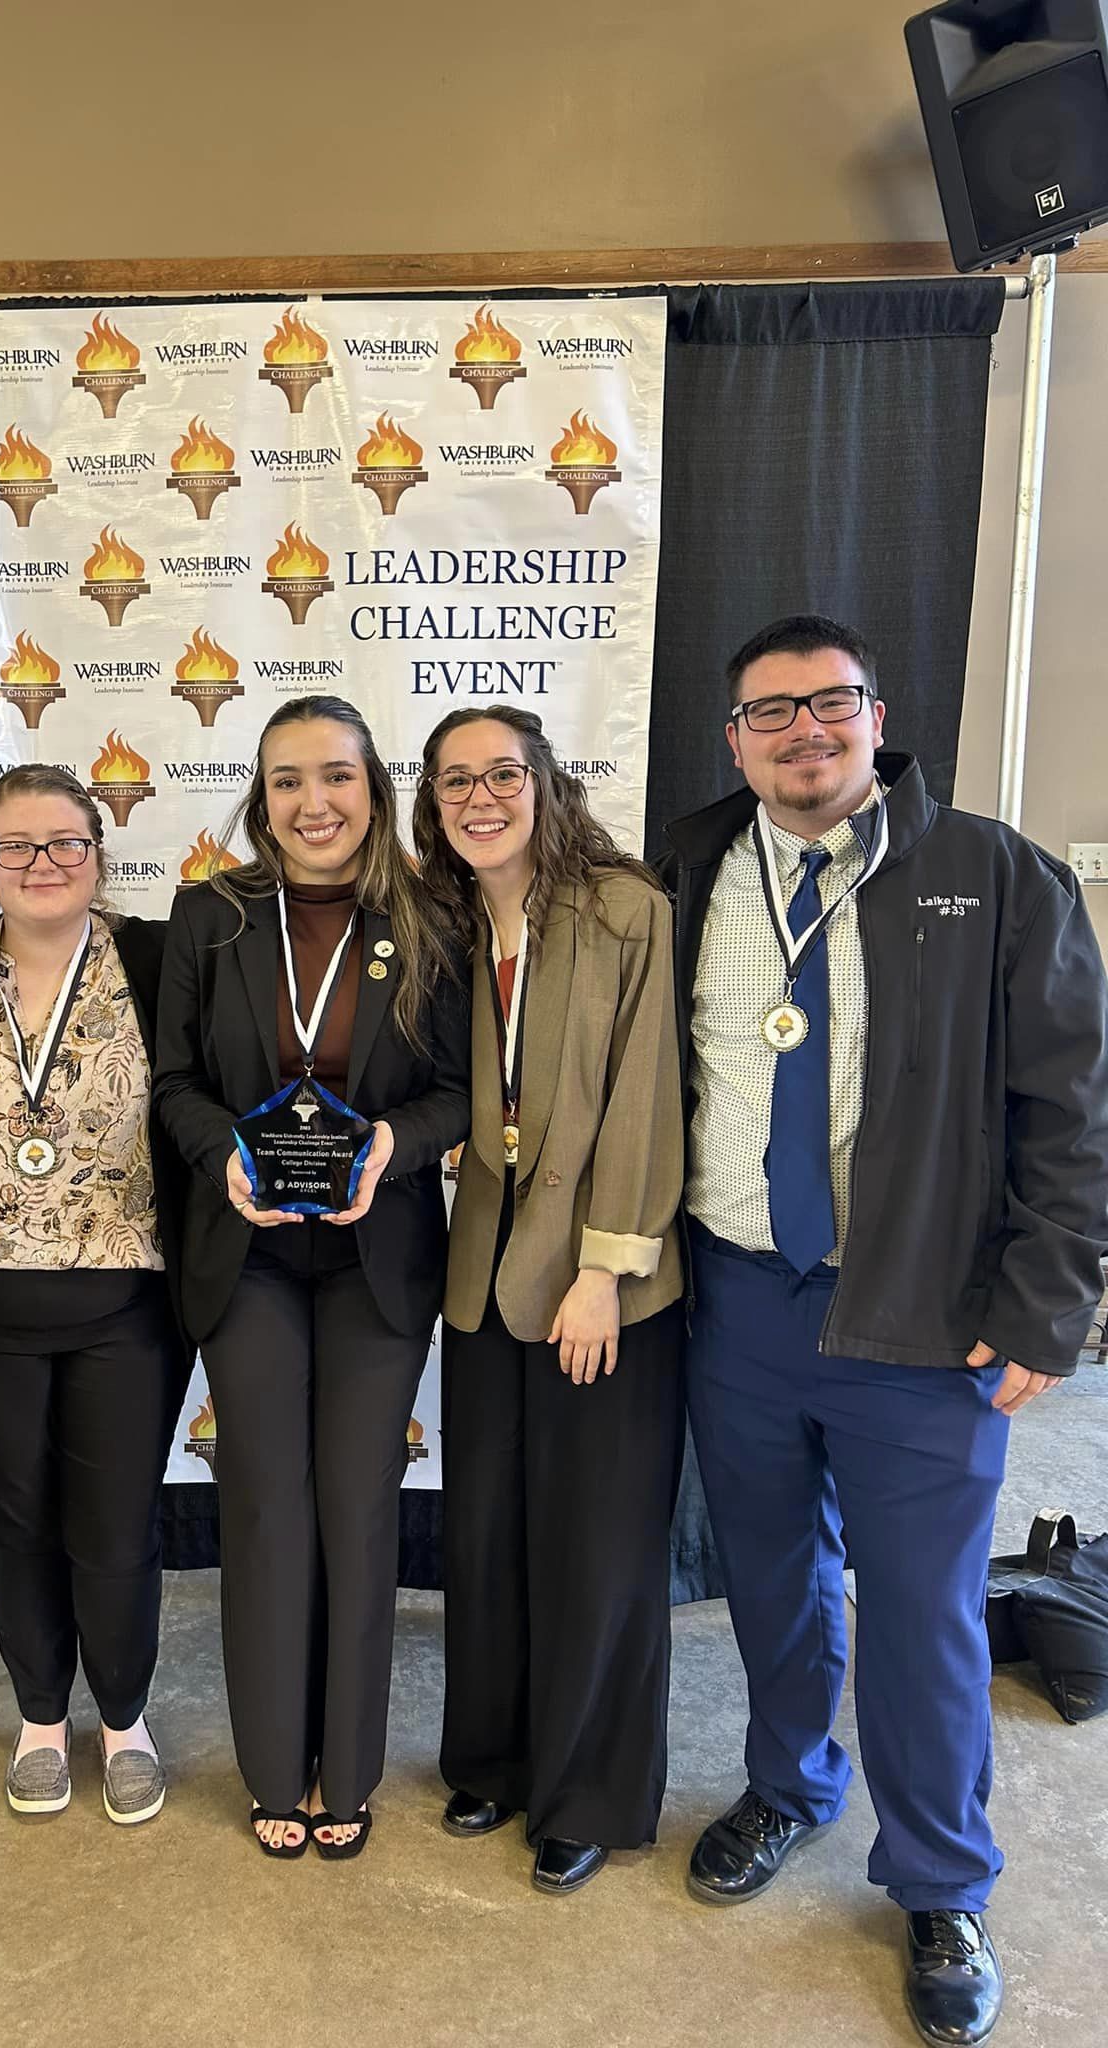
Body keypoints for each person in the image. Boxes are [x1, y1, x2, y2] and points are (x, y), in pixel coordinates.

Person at [661, 615, 1108, 2048]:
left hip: (925, 1319)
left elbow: (1073, 1113)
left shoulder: (995, 875)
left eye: (829, 704)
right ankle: (791, 1786)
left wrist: (1050, 1303)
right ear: (733, 740)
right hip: (739, 1298)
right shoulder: (688, 871)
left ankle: (941, 1882)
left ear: (877, 713)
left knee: (922, 1618)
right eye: (770, 713)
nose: (803, 732)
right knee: (777, 1579)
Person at [154, 695, 470, 1859]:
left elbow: (454, 1087)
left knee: (356, 1502)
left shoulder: (429, 914)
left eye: (335, 776)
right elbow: (174, 1079)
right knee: (265, 1504)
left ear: (373, 790)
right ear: (261, 795)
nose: (313, 802)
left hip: (373, 1254)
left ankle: (353, 1763)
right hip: (248, 1256)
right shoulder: (213, 913)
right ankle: (275, 1766)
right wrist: (222, 1154)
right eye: (288, 780)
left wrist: (394, 1148)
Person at [413, 707, 685, 1897]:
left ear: (545, 781)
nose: (480, 797)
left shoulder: (627, 906)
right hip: (482, 1273)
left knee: (595, 1544)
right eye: (454, 779)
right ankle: (494, 1758)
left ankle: (585, 1792)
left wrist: (602, 1269)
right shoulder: (439, 917)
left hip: (598, 1281)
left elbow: (645, 1096)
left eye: (501, 773)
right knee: (484, 1528)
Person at [0, 766, 188, 1825]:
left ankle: (123, 1719)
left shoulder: (156, 959)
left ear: (100, 852)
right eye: (15, 846)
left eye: (65, 842)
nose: (42, 864)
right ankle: (37, 1716)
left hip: (126, 1308)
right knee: (18, 1517)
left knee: (114, 1523)